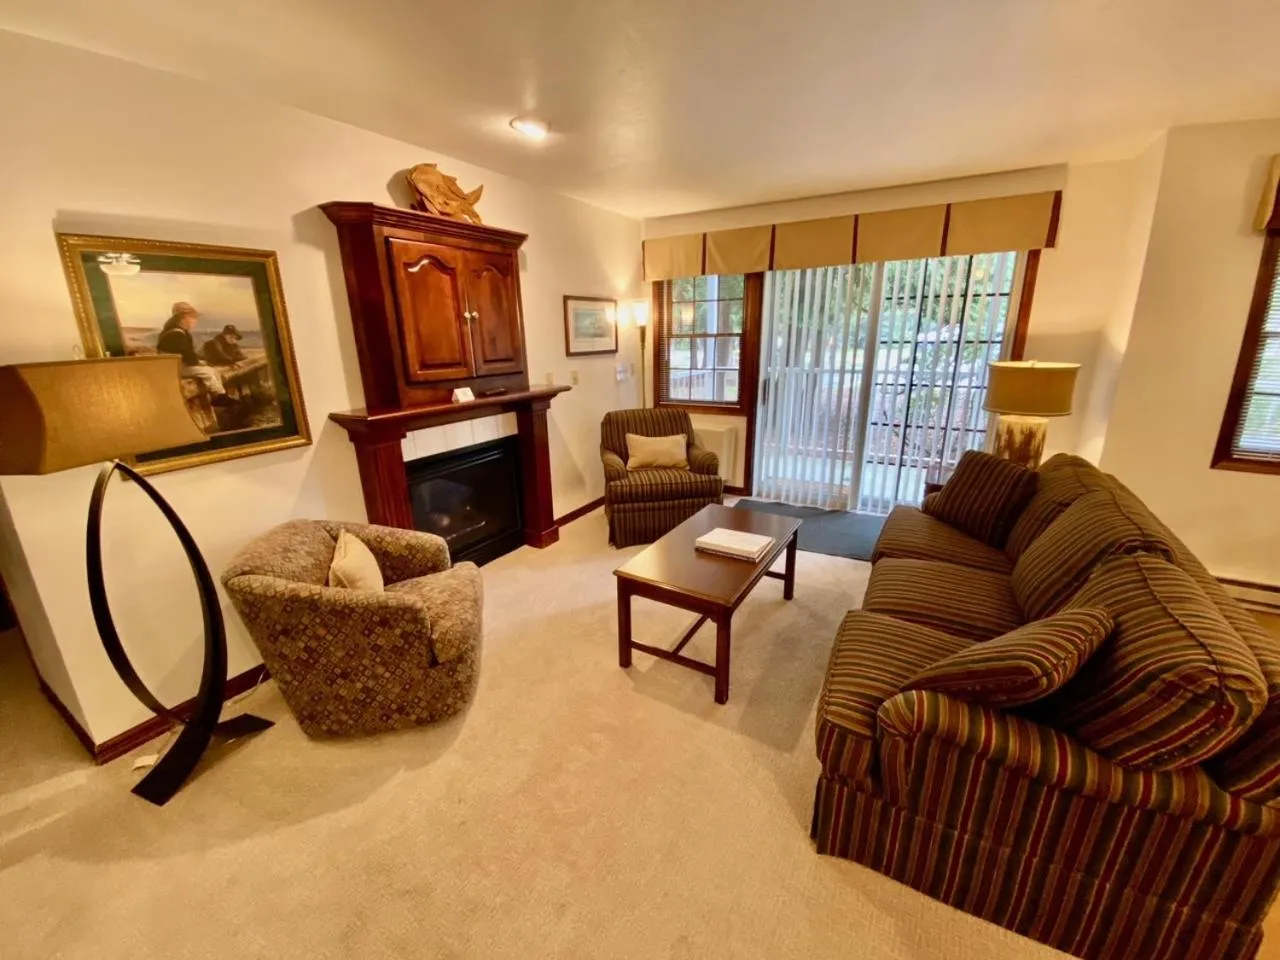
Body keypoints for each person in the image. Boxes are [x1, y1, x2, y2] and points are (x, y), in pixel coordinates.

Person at [156, 302, 231, 405]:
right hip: (173, 367)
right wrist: (198, 363)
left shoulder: (174, 332)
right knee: (207, 372)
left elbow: (187, 355)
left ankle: (221, 395)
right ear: (182, 318)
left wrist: (198, 362)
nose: (195, 321)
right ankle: (218, 397)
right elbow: (188, 356)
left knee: (212, 371)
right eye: (192, 318)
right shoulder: (177, 334)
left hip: (175, 364)